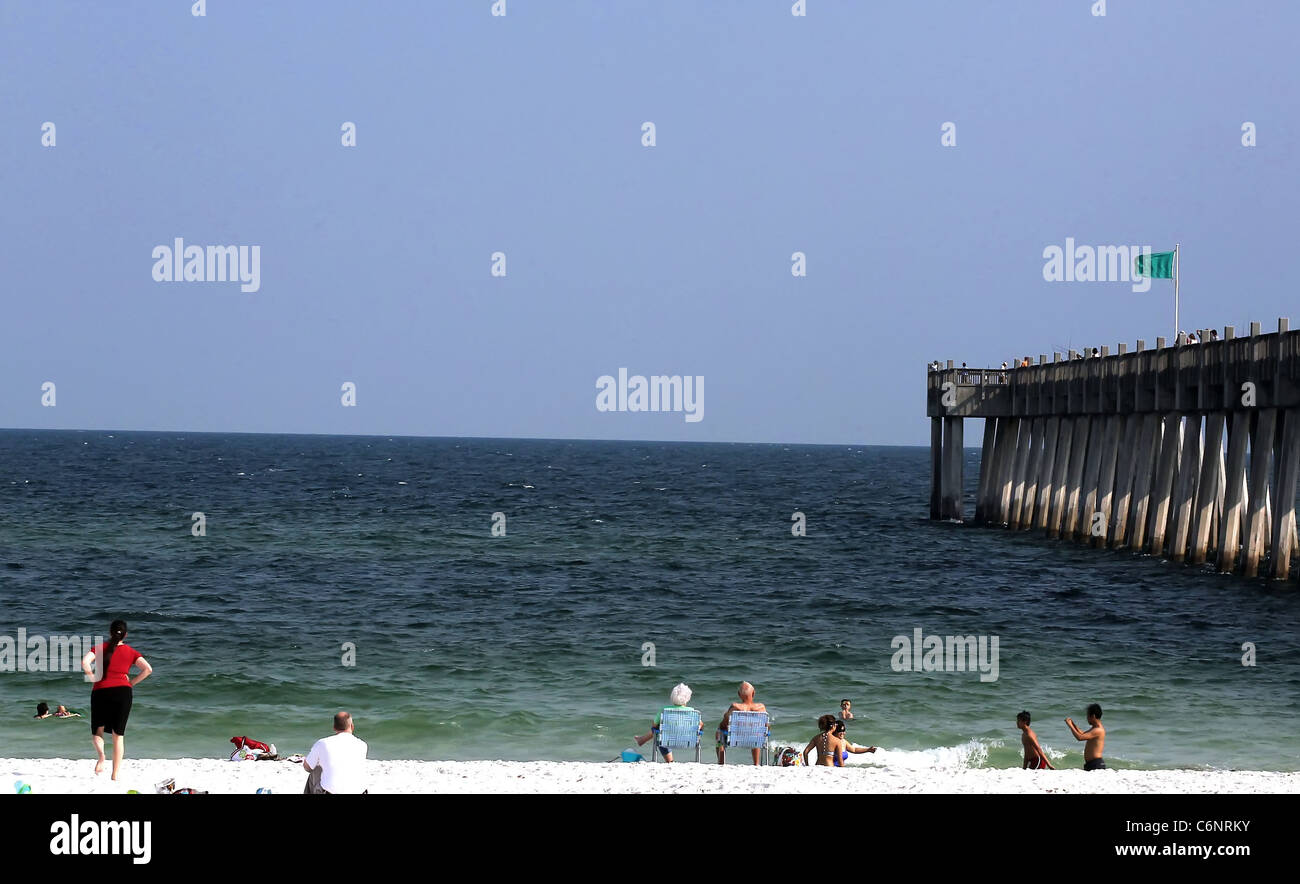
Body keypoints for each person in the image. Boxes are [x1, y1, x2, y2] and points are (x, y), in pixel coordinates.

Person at [80, 620, 151, 780]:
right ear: (125, 634)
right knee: (118, 735)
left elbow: (84, 663)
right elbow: (148, 669)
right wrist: (131, 682)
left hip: (101, 691)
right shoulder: (131, 651)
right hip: (123, 692)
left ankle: (101, 757)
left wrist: (92, 677)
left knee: (98, 730)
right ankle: (115, 775)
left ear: (110, 632)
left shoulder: (99, 648)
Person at [303, 711, 369, 794]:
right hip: (360, 792)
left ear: (334, 727)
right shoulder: (362, 745)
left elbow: (307, 767)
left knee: (315, 771)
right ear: (352, 726)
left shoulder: (322, 743)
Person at [633, 683, 700, 762]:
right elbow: (700, 725)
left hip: (667, 739)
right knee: (663, 731)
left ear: (672, 697)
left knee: (660, 732)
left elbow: (654, 725)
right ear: (688, 698)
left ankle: (669, 761)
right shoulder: (693, 712)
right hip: (687, 740)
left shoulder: (664, 710)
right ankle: (642, 740)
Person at [716, 681, 767, 765]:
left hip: (736, 739)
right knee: (757, 733)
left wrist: (723, 722)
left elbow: (724, 724)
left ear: (739, 694)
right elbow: (766, 726)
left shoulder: (735, 707)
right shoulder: (761, 708)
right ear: (753, 693)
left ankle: (721, 763)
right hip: (755, 739)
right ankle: (756, 764)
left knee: (719, 733)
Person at [1065, 703, 1106, 770]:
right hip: (1092, 763)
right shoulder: (1095, 728)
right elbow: (1083, 734)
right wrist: (1073, 724)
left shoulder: (1098, 730)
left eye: (1088, 716)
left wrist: (1070, 726)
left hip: (1096, 764)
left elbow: (1080, 737)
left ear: (1093, 716)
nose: (1087, 718)